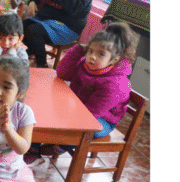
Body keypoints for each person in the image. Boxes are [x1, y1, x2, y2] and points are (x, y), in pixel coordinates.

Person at [33, 22, 137, 160]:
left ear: (115, 60)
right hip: (80, 108)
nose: (93, 57)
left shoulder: (116, 84)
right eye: (91, 51)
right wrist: (78, 49)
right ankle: (33, 148)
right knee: (41, 109)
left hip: (101, 121)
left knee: (73, 127)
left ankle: (60, 147)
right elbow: (62, 74)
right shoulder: (85, 64)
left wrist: (63, 120)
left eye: (101, 54)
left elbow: (91, 115)